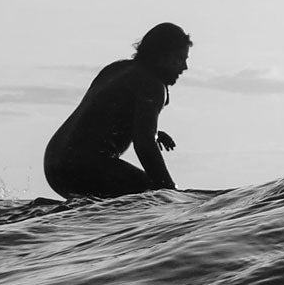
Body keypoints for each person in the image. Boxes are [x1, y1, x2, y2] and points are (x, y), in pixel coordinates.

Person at [43, 23, 192, 199]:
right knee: (150, 195)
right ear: (161, 57)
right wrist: (170, 193)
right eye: (179, 59)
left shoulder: (116, 69)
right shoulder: (152, 85)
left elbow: (100, 117)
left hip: (54, 163)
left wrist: (154, 133)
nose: (184, 67)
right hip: (83, 165)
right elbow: (144, 146)